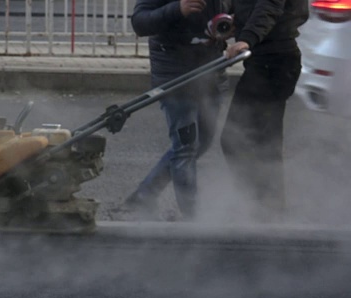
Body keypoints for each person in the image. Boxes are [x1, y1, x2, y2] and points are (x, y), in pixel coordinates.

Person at [120, 0, 231, 220]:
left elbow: (238, 9)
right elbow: (140, 23)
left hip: (211, 76)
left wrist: (234, 26)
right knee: (185, 148)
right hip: (176, 77)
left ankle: (144, 195)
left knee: (202, 142)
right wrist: (178, 9)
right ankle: (192, 219)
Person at [220, 0, 308, 220]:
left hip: (274, 61)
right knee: (265, 141)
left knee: (239, 140)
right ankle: (268, 208)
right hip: (269, 59)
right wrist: (232, 19)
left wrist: (246, 38)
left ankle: (263, 207)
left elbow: (268, 6)